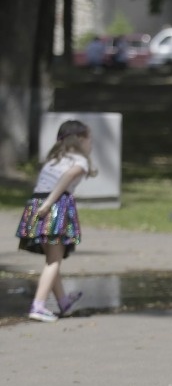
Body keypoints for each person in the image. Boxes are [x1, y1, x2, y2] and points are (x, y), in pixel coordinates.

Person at [14, 121, 96, 322]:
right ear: (80, 140)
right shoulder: (80, 161)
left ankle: (63, 302)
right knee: (53, 261)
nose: (91, 143)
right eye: (89, 138)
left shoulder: (54, 159)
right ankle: (38, 305)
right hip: (54, 207)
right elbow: (67, 178)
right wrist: (49, 204)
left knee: (52, 259)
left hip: (36, 204)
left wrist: (42, 206)